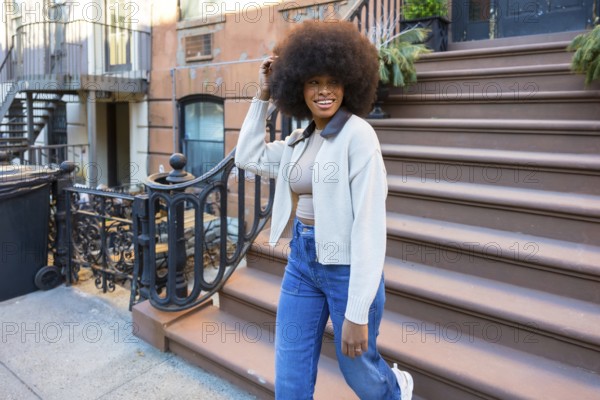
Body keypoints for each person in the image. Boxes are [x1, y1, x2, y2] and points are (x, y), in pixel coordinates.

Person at [234, 20, 413, 400]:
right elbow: (248, 157)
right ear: (298, 86)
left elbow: (369, 225)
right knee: (290, 378)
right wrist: (262, 96)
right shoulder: (299, 140)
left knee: (359, 371)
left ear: (350, 84)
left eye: (333, 81)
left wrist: (358, 310)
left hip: (346, 267)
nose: (324, 90)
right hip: (301, 261)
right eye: (314, 81)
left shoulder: (359, 136)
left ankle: (396, 388)